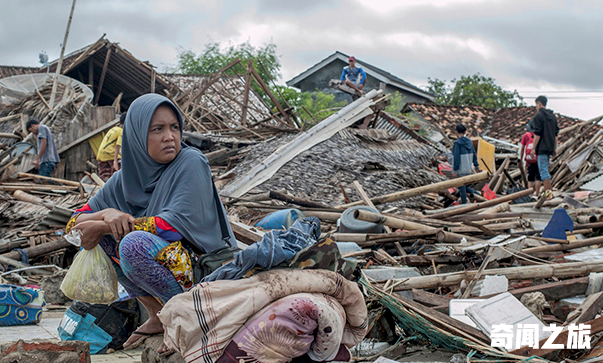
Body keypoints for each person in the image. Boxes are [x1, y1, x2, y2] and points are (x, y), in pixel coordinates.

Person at [64, 94, 237, 352]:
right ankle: (157, 315)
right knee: (101, 240)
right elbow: (73, 227)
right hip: (172, 267)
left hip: (206, 268)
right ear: (136, 136)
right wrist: (106, 213)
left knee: (133, 244)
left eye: (174, 127)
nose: (169, 136)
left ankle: (184, 318)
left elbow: (171, 227)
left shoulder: (191, 162)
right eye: (157, 129)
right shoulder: (124, 179)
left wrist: (102, 224)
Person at [529, 95, 559, 200]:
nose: (536, 107)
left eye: (536, 105)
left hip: (541, 148)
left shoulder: (538, 116)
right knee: (544, 169)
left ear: (539, 104)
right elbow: (556, 134)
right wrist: (555, 148)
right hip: (550, 147)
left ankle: (549, 195)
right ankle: (548, 194)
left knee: (543, 170)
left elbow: (537, 133)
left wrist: (533, 148)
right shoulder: (553, 117)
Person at [452, 124, 480, 204]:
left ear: (456, 132)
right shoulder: (470, 142)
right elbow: (474, 154)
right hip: (468, 169)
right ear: (465, 132)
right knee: (464, 187)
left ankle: (464, 204)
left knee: (462, 188)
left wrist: (455, 170)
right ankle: (479, 196)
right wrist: (476, 166)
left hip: (460, 169)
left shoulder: (457, 143)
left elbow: (456, 158)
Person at [96, 112, 125, 181]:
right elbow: (118, 145)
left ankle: (105, 186)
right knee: (121, 172)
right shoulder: (121, 131)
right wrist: (115, 161)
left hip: (101, 155)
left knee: (105, 175)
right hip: (110, 154)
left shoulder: (113, 129)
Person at [520, 122, 541, 197]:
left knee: (530, 178)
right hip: (538, 159)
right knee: (538, 178)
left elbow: (522, 148)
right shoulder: (539, 135)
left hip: (529, 160)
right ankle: (537, 194)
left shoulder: (526, 135)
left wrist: (521, 159)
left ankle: (530, 195)